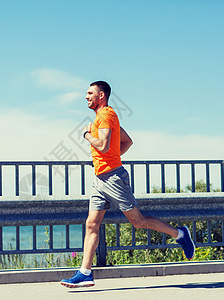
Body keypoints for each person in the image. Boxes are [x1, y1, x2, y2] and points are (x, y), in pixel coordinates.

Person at [61, 81, 196, 288]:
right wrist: (111, 157)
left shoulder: (106, 115)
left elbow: (104, 146)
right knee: (91, 224)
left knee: (138, 221)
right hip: (100, 179)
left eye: (90, 93)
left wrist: (87, 135)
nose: (86, 96)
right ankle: (85, 273)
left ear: (101, 95)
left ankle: (180, 234)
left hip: (114, 178)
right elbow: (126, 141)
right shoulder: (103, 117)